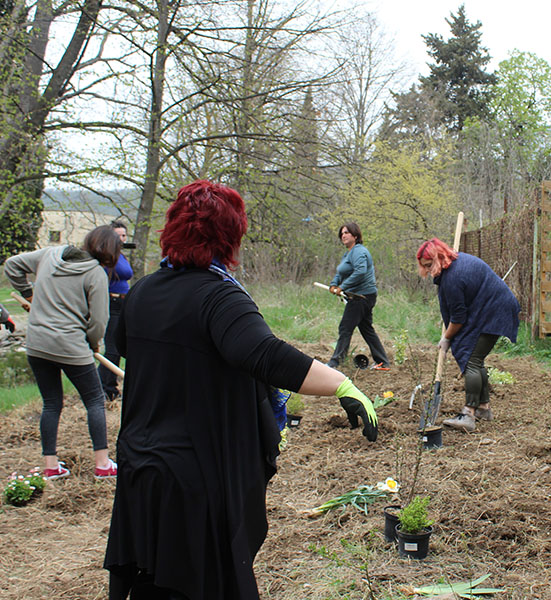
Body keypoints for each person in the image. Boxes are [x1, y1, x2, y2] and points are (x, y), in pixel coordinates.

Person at [104, 180, 378, 600]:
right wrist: (342, 383)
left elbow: (123, 346)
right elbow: (265, 355)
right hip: (193, 478)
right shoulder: (217, 297)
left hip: (139, 468)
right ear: (228, 236)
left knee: (148, 577)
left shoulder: (142, 292)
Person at [4, 226, 121, 480]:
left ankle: (50, 466)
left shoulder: (50, 254)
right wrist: (93, 342)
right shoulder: (96, 274)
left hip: (37, 345)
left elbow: (12, 265)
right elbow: (100, 320)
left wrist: (29, 293)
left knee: (51, 403)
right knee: (95, 400)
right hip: (71, 346)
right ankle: (102, 464)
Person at [416, 238, 520, 432]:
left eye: (430, 265)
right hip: (488, 309)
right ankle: (483, 408)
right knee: (476, 359)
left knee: (471, 359)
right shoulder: (454, 264)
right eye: (426, 267)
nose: (429, 270)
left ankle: (468, 414)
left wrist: (446, 337)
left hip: (495, 312)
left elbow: (458, 318)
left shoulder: (452, 278)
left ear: (439, 258)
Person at [326, 222, 390, 370]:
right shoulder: (348, 253)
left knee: (345, 328)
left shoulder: (359, 251)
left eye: (347, 232)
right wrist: (333, 285)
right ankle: (382, 362)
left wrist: (342, 287)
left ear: (355, 235)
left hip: (361, 296)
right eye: (341, 233)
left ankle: (336, 362)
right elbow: (340, 272)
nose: (343, 235)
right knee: (366, 329)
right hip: (358, 296)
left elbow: (360, 272)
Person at [98, 220, 134, 401]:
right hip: (110, 302)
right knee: (111, 347)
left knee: (120, 345)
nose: (121, 238)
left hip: (123, 303)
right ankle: (103, 387)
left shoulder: (122, 256)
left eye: (123, 235)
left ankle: (111, 386)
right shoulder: (105, 257)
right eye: (117, 235)